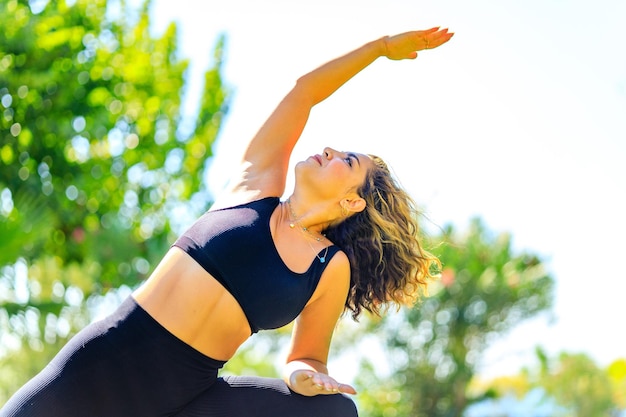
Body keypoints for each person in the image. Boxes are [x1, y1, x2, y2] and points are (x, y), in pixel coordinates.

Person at [1, 26, 452, 417]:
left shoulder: (328, 267)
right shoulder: (254, 189)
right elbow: (303, 92)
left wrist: (307, 379)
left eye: (346, 160)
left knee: (335, 411)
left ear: (354, 202)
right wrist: (379, 49)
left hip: (191, 400)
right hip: (100, 370)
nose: (330, 149)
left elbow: (307, 360)